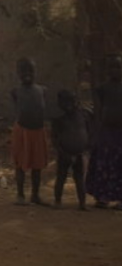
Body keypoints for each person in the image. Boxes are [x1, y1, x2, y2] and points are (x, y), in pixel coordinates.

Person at [10, 58, 48, 205]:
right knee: (20, 165)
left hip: (38, 131)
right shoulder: (16, 92)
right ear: (18, 73)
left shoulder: (42, 90)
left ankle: (35, 195)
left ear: (35, 71)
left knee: (37, 166)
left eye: (31, 70)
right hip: (22, 131)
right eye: (23, 71)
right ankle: (20, 195)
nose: (27, 74)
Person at [88, 54, 122, 209]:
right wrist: (95, 132)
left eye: (118, 67)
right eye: (112, 67)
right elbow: (98, 111)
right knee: (104, 163)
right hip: (106, 132)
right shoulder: (102, 89)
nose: (115, 70)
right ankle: (102, 197)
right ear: (108, 70)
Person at [50, 90, 90, 211]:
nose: (69, 104)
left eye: (71, 101)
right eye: (65, 102)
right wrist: (63, 153)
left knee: (79, 179)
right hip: (64, 154)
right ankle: (57, 201)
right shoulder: (59, 120)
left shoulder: (83, 116)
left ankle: (82, 203)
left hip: (79, 153)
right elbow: (55, 140)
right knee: (61, 177)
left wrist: (85, 149)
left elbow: (88, 132)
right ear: (60, 104)